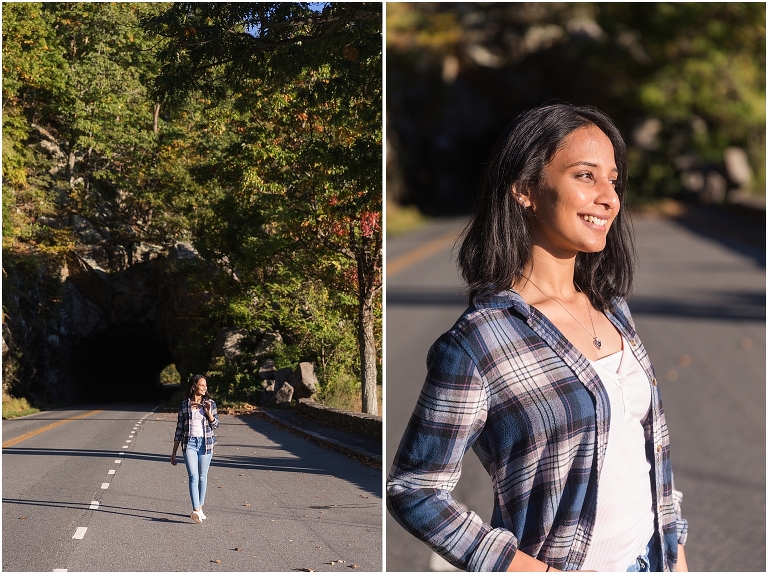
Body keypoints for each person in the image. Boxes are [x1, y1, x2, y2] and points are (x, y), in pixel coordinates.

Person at [387, 103, 688, 572]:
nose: (609, 197)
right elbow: (415, 488)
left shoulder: (612, 308)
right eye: (586, 176)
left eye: (613, 179)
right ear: (526, 189)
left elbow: (648, 458)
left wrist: (677, 554)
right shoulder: (480, 342)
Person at [171, 374, 219, 523]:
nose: (205, 387)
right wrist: (173, 452)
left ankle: (200, 507)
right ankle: (196, 509)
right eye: (202, 385)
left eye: (206, 385)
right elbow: (179, 429)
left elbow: (216, 425)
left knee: (203, 476)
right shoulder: (184, 405)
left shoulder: (210, 403)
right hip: (189, 443)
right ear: (194, 387)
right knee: (193, 476)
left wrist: (209, 412)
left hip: (206, 444)